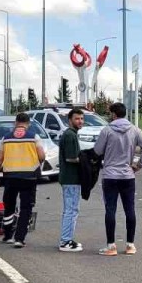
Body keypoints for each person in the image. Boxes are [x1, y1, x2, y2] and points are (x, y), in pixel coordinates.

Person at [92, 102, 142, 256]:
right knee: (130, 209)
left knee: (110, 210)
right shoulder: (134, 130)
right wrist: (139, 165)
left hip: (110, 175)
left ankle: (111, 246)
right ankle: (130, 245)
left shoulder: (107, 130)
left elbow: (98, 150)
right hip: (127, 175)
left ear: (114, 114)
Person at [0, 112, 45, 249]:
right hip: (29, 177)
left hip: (10, 177)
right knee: (26, 208)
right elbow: (42, 156)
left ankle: (8, 235)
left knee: (9, 206)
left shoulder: (6, 138)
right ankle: (19, 239)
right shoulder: (34, 137)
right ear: (28, 124)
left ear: (15, 123)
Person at [57, 108, 85, 252]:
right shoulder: (70, 135)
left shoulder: (71, 134)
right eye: (77, 119)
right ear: (70, 120)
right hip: (71, 179)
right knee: (71, 210)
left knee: (70, 209)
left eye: (81, 118)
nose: (80, 121)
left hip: (70, 179)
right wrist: (86, 160)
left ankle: (66, 238)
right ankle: (65, 241)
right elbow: (71, 158)